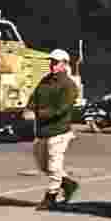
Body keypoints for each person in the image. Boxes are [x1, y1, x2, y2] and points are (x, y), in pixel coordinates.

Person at [25, 48, 81, 211]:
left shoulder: (69, 85)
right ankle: (69, 184)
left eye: (56, 62)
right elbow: (33, 98)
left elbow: (62, 109)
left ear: (64, 64)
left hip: (59, 131)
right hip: (42, 131)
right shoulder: (45, 81)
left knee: (54, 166)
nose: (52, 65)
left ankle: (51, 197)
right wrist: (29, 108)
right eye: (51, 62)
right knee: (43, 166)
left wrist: (38, 113)